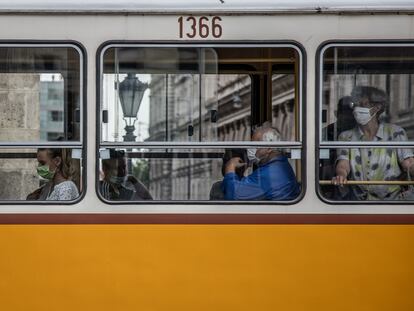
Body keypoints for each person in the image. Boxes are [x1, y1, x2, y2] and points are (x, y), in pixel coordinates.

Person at [332, 86, 414, 200]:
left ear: (377, 107)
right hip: (358, 203)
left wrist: (411, 167)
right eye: (355, 104)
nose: (356, 108)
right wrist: (341, 175)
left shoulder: (395, 132)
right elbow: (343, 163)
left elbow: (408, 163)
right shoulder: (346, 136)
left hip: (392, 202)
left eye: (362, 104)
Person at [222, 123, 300, 200]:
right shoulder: (280, 164)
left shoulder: (269, 173)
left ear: (269, 148)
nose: (250, 149)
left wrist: (230, 167)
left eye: (255, 145)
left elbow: (233, 196)